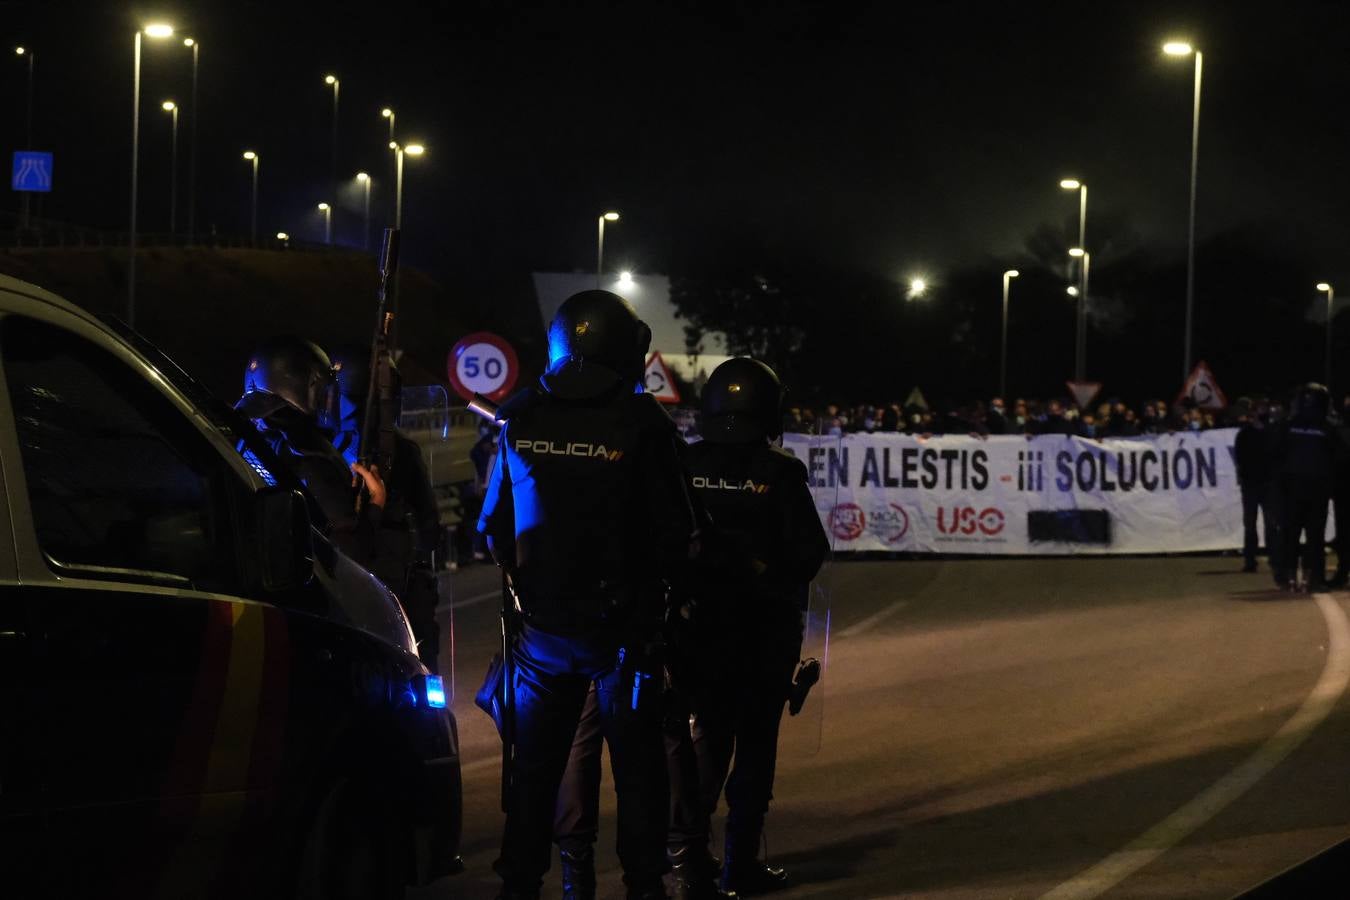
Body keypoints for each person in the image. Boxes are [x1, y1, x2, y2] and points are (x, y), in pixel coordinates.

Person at [478, 290, 699, 900]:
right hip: (624, 634)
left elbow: (491, 526)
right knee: (639, 773)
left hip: (542, 636)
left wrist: (532, 590)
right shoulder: (644, 423)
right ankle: (642, 886)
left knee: (533, 776)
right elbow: (679, 534)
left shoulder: (520, 416)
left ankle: (521, 885)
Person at [671, 357, 829, 896]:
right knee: (756, 746)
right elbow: (810, 554)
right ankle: (741, 863)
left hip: (698, 631)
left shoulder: (685, 467)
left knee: (705, 742)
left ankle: (691, 861)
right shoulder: (780, 473)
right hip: (763, 634)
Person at [328, 343, 445, 672]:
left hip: (340, 587)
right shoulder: (402, 452)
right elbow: (429, 527)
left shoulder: (323, 451)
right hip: (396, 588)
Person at [236, 335, 386, 559]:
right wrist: (376, 503)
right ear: (308, 386)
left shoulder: (245, 442)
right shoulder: (310, 457)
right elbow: (350, 553)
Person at [1271, 383, 1337, 591]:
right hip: (1310, 489)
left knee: (1295, 535)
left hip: (1299, 489)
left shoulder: (1289, 426)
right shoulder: (1326, 427)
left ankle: (1293, 577)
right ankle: (1308, 578)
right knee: (1311, 537)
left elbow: (1276, 456)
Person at [1234, 401, 1278, 574]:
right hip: (1251, 485)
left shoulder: (1271, 433)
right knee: (1250, 524)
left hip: (1268, 484)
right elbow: (1240, 459)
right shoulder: (1244, 435)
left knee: (1271, 524)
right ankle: (1250, 560)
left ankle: (1274, 558)